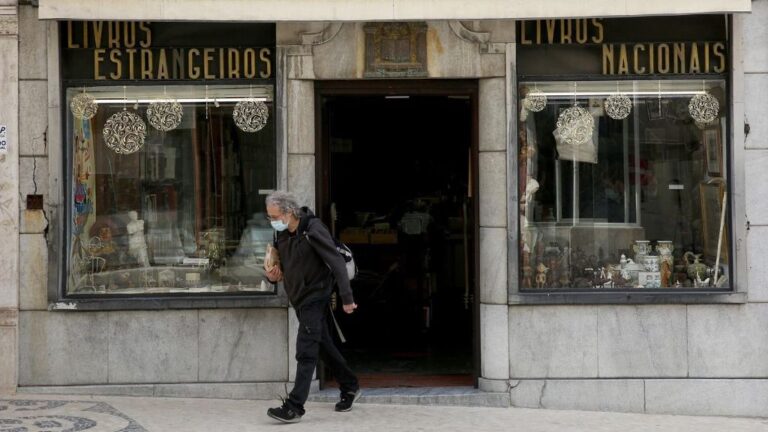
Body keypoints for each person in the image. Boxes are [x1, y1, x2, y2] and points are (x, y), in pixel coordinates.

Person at [264, 191, 361, 424]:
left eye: (274, 216)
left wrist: (347, 298)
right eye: (269, 217)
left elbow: (336, 262)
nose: (272, 221)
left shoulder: (313, 229)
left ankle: (294, 406)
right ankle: (350, 386)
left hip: (315, 296)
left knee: (305, 350)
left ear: (289, 212)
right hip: (298, 299)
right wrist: (272, 276)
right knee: (323, 345)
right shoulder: (282, 235)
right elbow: (282, 267)